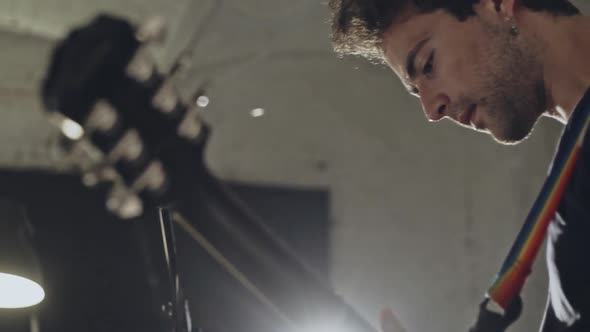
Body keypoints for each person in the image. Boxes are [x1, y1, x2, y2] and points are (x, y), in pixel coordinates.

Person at [328, 0, 590, 331]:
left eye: (427, 64)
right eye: (415, 92)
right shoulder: (574, 174)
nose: (430, 109)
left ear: (498, 6)